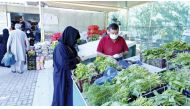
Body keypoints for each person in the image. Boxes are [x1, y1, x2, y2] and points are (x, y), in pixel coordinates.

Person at [52, 26, 81, 106]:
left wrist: (76, 58)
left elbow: (73, 55)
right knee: (61, 96)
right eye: (74, 39)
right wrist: (76, 60)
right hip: (62, 76)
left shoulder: (68, 45)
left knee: (67, 96)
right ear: (69, 37)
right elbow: (64, 64)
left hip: (67, 75)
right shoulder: (60, 48)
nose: (75, 41)